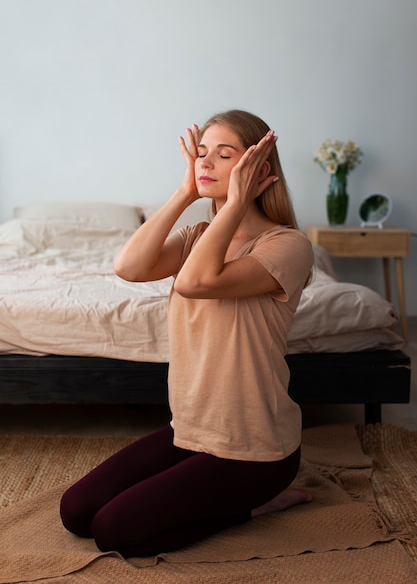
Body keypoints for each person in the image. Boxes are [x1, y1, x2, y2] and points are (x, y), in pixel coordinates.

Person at [60, 109, 314, 558]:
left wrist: (234, 205)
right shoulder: (197, 235)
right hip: (191, 431)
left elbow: (199, 283)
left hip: (253, 449)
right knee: (76, 511)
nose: (206, 163)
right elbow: (129, 267)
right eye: (201, 154)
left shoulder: (287, 246)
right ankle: (236, 500)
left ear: (259, 169)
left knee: (115, 532)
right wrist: (184, 192)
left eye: (223, 154)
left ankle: (257, 505)